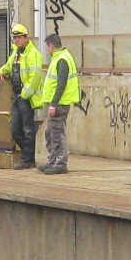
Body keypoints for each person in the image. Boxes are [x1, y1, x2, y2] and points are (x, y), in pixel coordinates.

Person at [0, 23, 44, 170]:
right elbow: (8, 66)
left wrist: (25, 94)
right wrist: (0, 72)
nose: (16, 40)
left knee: (28, 129)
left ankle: (28, 159)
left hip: (26, 97)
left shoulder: (32, 53)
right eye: (14, 37)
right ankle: (27, 156)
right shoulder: (16, 53)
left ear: (25, 38)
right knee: (15, 129)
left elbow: (35, 76)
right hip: (18, 96)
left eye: (19, 37)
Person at [38, 33, 79, 175]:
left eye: (48, 47)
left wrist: (53, 104)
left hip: (59, 104)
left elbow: (61, 84)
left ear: (51, 46)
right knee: (51, 133)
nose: (47, 50)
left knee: (57, 133)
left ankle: (60, 163)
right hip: (58, 103)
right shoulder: (60, 58)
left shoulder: (62, 60)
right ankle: (52, 161)